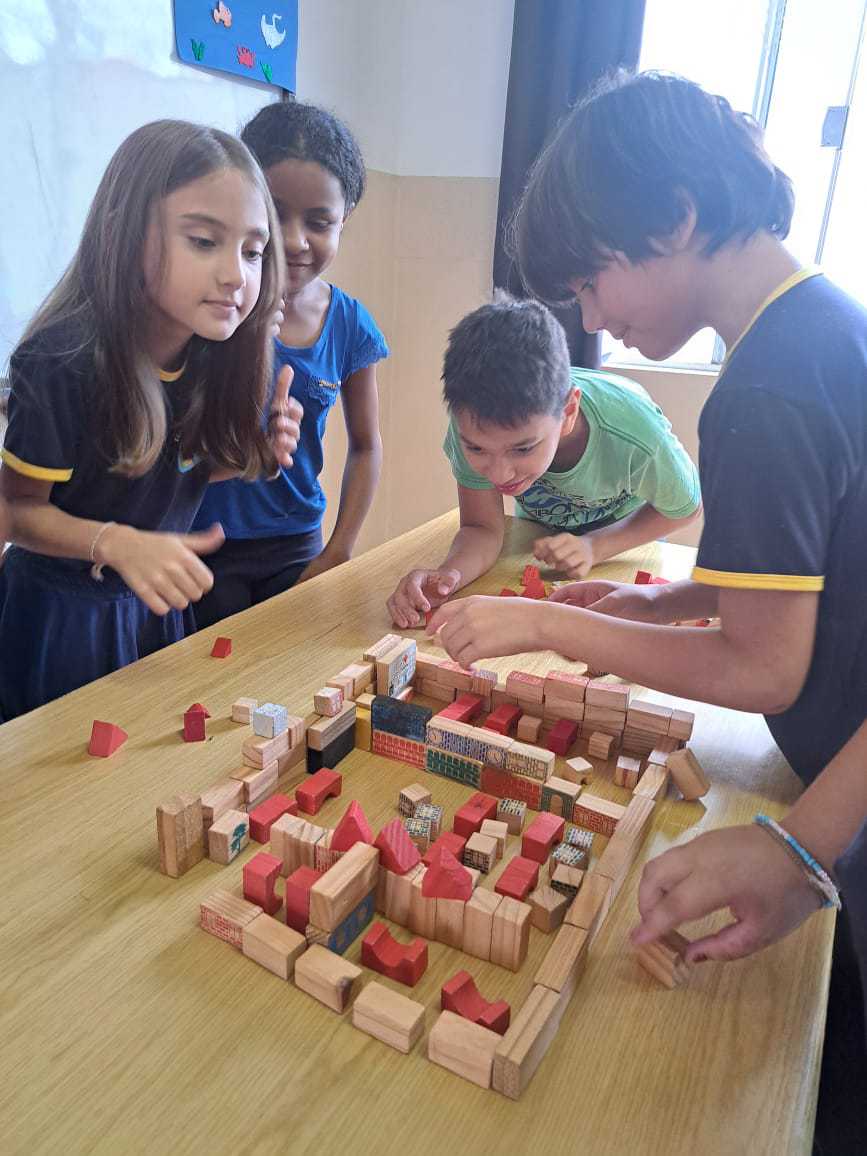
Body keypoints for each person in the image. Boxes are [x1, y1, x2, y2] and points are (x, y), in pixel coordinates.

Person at [427, 70, 867, 1146]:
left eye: (591, 281)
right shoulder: (822, 331)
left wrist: (546, 624)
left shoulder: (764, 390)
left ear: (672, 218)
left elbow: (763, 668)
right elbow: (824, 565)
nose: (591, 319)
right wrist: (665, 600)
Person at [0, 119, 300, 720]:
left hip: (149, 608)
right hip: (61, 618)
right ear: (125, 234)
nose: (236, 275)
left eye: (252, 251)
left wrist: (261, 455)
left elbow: (163, 471)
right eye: (204, 241)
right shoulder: (62, 361)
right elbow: (15, 510)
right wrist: (115, 544)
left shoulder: (210, 353)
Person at [387, 292, 699, 628]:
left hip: (626, 547)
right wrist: (449, 575)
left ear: (569, 411)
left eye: (522, 449)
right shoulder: (473, 424)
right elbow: (481, 529)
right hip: (542, 544)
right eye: (477, 450)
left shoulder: (635, 432)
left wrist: (596, 547)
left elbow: (686, 508)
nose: (499, 474)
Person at [192, 100, 387, 628]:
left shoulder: (350, 324)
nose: (295, 240)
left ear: (344, 219)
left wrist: (339, 549)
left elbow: (366, 446)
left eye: (320, 222)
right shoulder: (210, 307)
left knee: (294, 671)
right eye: (276, 215)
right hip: (203, 541)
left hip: (296, 542)